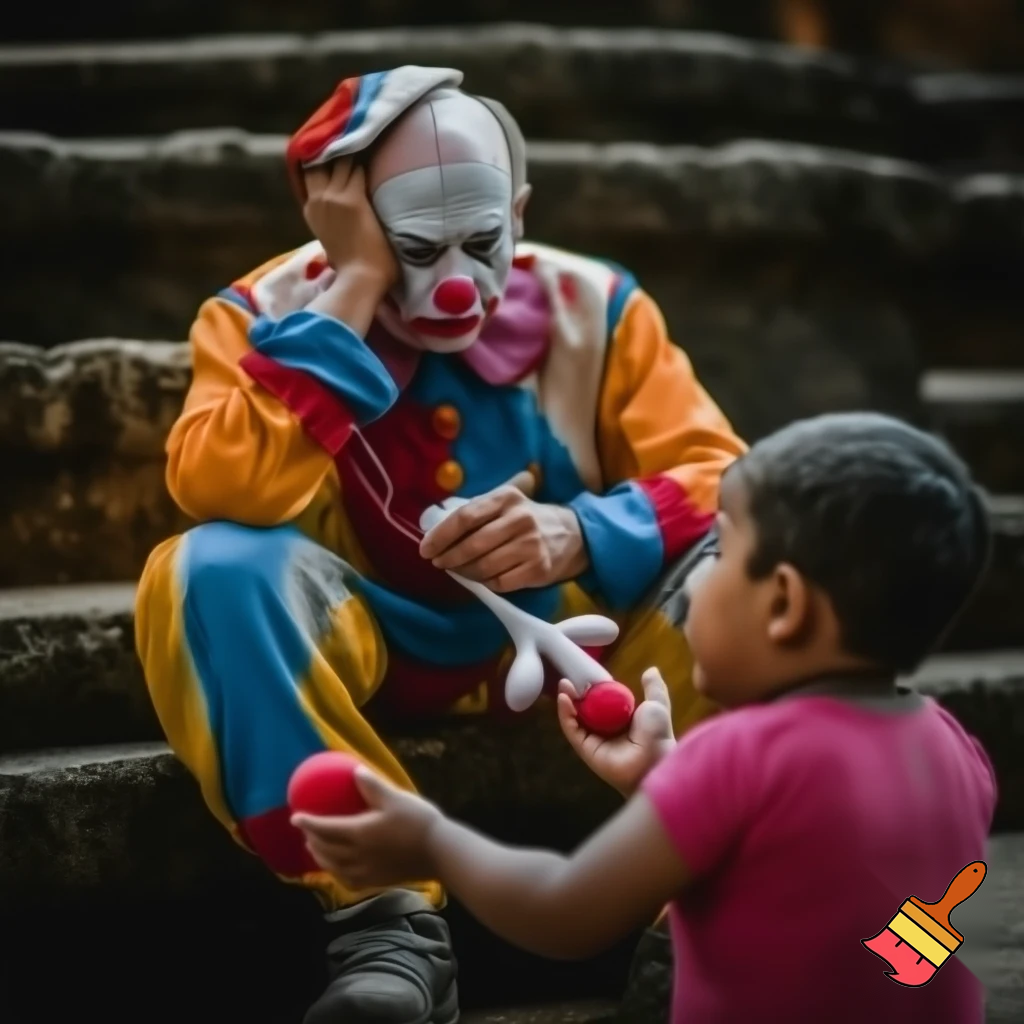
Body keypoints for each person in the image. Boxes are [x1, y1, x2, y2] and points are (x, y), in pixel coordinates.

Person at [134, 66, 745, 1023]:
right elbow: (221, 487)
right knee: (202, 575)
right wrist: (355, 289)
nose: (458, 284)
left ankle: (719, 916)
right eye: (415, 248)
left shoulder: (599, 305)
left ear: (521, 210)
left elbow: (724, 476)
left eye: (485, 242)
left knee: (738, 571)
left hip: (576, 636)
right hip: (366, 629)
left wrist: (580, 531)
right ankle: (385, 926)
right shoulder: (259, 315)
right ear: (345, 227)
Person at [292, 412, 998, 1024]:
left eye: (722, 555)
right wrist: (664, 780)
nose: (697, 580)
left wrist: (434, 842)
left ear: (784, 605)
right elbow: (868, 898)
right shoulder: (955, 752)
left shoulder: (741, 755)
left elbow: (567, 911)